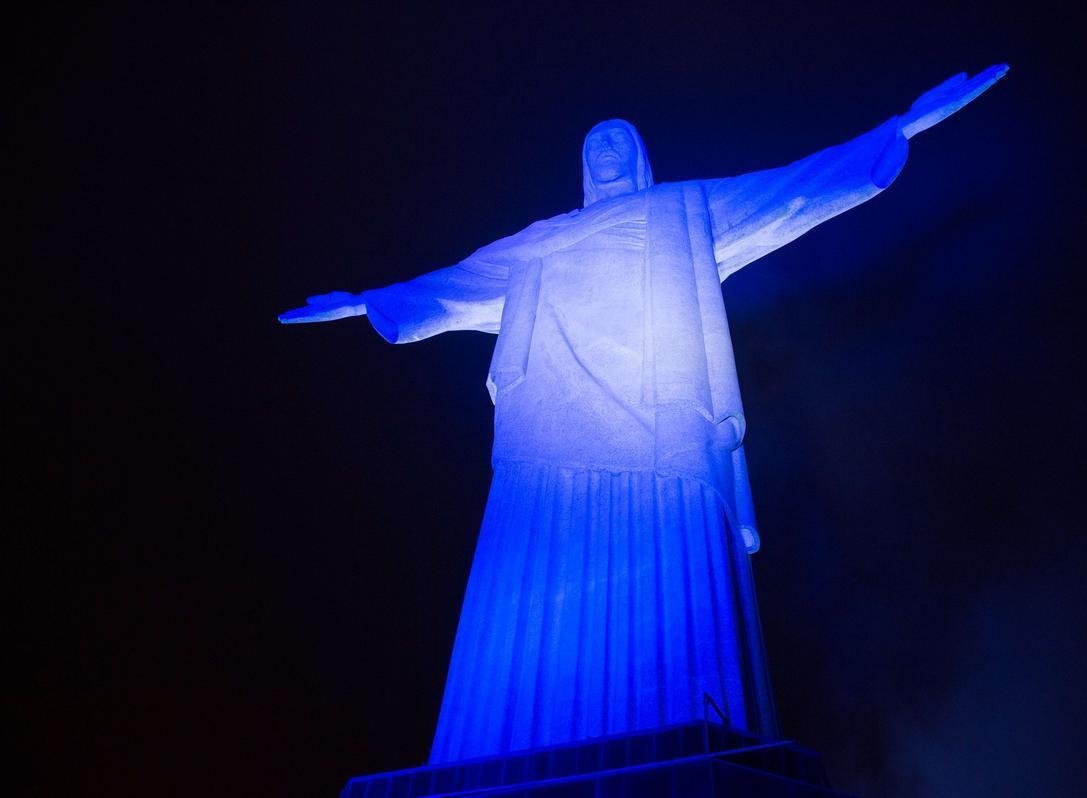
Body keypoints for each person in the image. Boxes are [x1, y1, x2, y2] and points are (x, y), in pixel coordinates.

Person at [280, 65, 1008, 763]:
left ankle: (678, 720)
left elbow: (788, 192)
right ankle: (509, 738)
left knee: (667, 579)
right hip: (547, 426)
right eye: (594, 142)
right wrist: (369, 302)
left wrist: (898, 129)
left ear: (640, 156)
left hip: (660, 416)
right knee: (533, 576)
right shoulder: (538, 240)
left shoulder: (682, 208)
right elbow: (455, 284)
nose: (605, 149)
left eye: (618, 140)